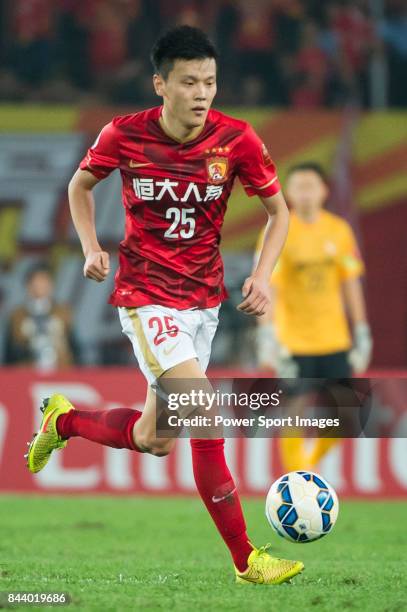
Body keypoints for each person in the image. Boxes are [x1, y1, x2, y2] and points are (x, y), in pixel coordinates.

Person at [26, 26, 303, 585]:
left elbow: (280, 213)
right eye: (190, 82)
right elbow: (80, 187)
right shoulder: (124, 135)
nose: (202, 93)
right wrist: (90, 246)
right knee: (204, 409)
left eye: (211, 82)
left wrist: (264, 276)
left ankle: (66, 419)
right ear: (161, 84)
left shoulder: (238, 140)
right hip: (147, 296)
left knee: (156, 440)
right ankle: (247, 559)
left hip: (203, 302)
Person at [255, 161, 372, 471]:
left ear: (324, 190)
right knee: (294, 411)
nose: (305, 193)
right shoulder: (278, 231)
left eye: (311, 186)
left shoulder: (339, 230)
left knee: (347, 415)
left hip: (334, 339)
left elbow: (350, 284)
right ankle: (296, 479)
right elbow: (267, 287)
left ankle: (306, 465)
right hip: (293, 340)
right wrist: (267, 335)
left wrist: (361, 332)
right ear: (288, 192)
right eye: (298, 187)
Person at [6, 263, 75, 370]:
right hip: (27, 371)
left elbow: (73, 345)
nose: (40, 286)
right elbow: (10, 351)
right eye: (36, 282)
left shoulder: (63, 313)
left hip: (60, 371)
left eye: (44, 281)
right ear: (28, 285)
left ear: (51, 285)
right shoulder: (17, 316)